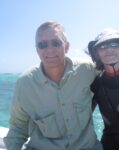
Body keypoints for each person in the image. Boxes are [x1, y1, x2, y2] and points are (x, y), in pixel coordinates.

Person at [4, 21, 103, 150]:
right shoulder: (24, 84)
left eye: (56, 43)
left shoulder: (87, 70)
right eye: (42, 45)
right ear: (37, 50)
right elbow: (17, 129)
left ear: (66, 46)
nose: (49, 50)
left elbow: (115, 76)